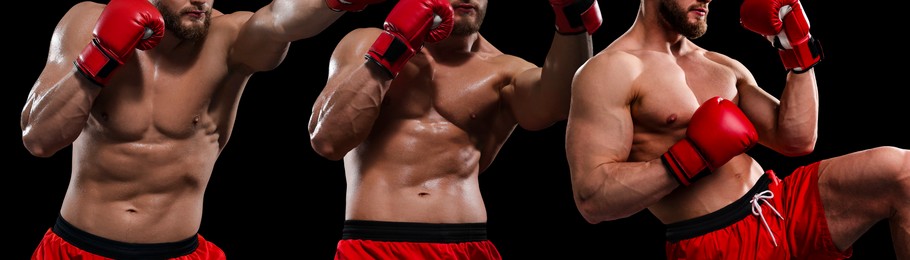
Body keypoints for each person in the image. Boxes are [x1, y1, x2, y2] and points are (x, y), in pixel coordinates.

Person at [20, 0, 386, 258]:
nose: (201, 1)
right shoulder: (86, 22)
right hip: (75, 249)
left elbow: (280, 19)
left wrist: (335, 0)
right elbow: (39, 138)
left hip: (178, 252)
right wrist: (101, 55)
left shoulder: (229, 40)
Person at [565, 0, 909, 258]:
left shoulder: (719, 63)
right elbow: (592, 200)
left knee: (901, 172)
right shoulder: (609, 71)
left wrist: (796, 50)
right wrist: (689, 157)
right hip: (714, 241)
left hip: (781, 205)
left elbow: (797, 139)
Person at [307, 0, 601, 258]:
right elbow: (329, 140)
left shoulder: (504, 70)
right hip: (375, 245)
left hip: (467, 246)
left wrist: (573, 16)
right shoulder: (363, 43)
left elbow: (560, 102)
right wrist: (394, 47)